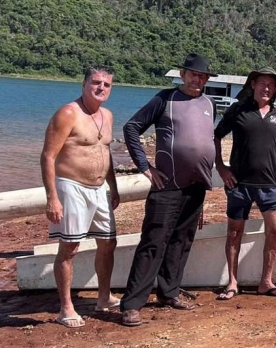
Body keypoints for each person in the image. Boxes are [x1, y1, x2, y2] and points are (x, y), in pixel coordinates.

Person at [120, 53, 217, 326]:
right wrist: (146, 168)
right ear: (183, 75)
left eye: (203, 76)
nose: (198, 79)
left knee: (182, 241)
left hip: (197, 186)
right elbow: (132, 128)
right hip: (167, 186)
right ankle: (132, 305)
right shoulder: (165, 99)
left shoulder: (209, 103)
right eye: (193, 74)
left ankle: (169, 292)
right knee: (153, 242)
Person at [41, 66, 120, 327]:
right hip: (71, 187)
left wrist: (114, 188)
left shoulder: (107, 115)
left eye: (106, 84)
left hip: (100, 189)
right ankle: (66, 307)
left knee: (108, 242)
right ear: (84, 84)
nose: (101, 88)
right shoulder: (67, 114)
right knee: (70, 248)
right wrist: (52, 197)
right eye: (96, 82)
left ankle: (104, 297)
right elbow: (48, 156)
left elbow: (105, 154)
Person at [214, 67, 276, 300]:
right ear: (253, 85)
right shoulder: (238, 110)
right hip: (239, 184)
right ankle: (232, 282)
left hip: (270, 186)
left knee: (275, 233)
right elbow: (216, 136)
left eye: (271, 85)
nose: (266, 88)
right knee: (234, 233)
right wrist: (221, 168)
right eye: (262, 83)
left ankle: (266, 281)